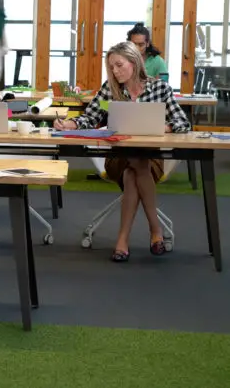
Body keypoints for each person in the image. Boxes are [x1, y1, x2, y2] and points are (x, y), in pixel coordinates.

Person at [54, 42, 190, 263]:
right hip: (116, 158)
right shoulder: (111, 89)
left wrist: (163, 127)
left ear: (134, 62)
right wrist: (69, 124)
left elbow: (183, 123)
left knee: (133, 169)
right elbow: (91, 118)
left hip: (151, 158)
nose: (115, 71)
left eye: (119, 65)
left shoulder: (160, 89)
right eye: (112, 67)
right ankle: (155, 230)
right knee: (135, 162)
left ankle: (122, 240)